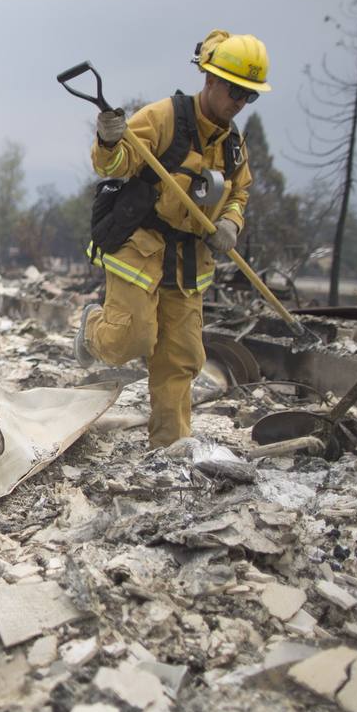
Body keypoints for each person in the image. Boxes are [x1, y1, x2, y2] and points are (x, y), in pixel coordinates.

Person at [74, 30, 268, 447]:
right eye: (235, 90)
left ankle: (170, 447)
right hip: (141, 244)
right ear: (211, 81)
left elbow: (240, 191)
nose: (239, 102)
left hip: (190, 259)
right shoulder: (165, 117)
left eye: (250, 96)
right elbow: (116, 163)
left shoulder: (234, 146)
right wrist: (109, 138)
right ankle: (92, 328)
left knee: (180, 358)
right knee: (131, 338)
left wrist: (231, 223)